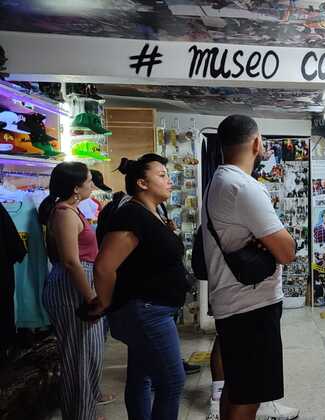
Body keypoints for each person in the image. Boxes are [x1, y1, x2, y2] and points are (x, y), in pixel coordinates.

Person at [202, 115, 297, 420]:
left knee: (237, 388)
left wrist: (266, 241)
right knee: (249, 398)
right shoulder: (243, 187)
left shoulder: (219, 180)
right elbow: (287, 251)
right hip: (250, 306)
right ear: (257, 143)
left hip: (234, 301)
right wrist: (274, 242)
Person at [91, 154, 188, 420]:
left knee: (141, 375)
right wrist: (108, 303)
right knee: (171, 381)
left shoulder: (152, 213)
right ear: (142, 183)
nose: (169, 180)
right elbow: (104, 267)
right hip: (147, 311)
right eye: (162, 175)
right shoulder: (132, 214)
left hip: (151, 308)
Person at [38, 162, 106, 420]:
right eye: (88, 181)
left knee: (86, 357)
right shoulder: (65, 213)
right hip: (72, 289)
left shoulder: (71, 210)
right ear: (76, 188)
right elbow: (70, 261)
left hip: (78, 284)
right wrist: (91, 298)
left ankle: (85, 412)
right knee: (80, 359)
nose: (92, 185)